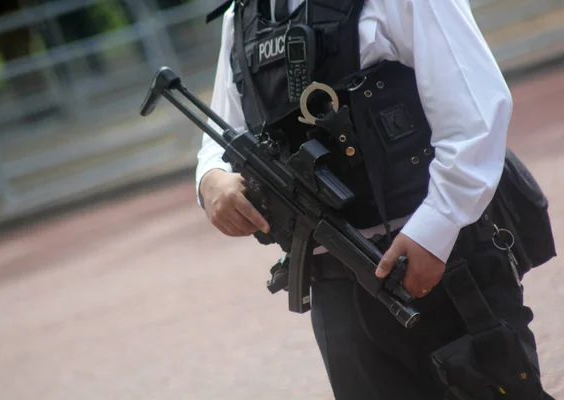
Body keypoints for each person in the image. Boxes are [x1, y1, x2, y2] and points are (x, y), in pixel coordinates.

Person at [195, 0, 555, 398]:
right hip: (333, 285)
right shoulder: (245, 14)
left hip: (439, 262)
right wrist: (211, 179)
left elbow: (476, 112)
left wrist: (435, 227)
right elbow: (225, 133)